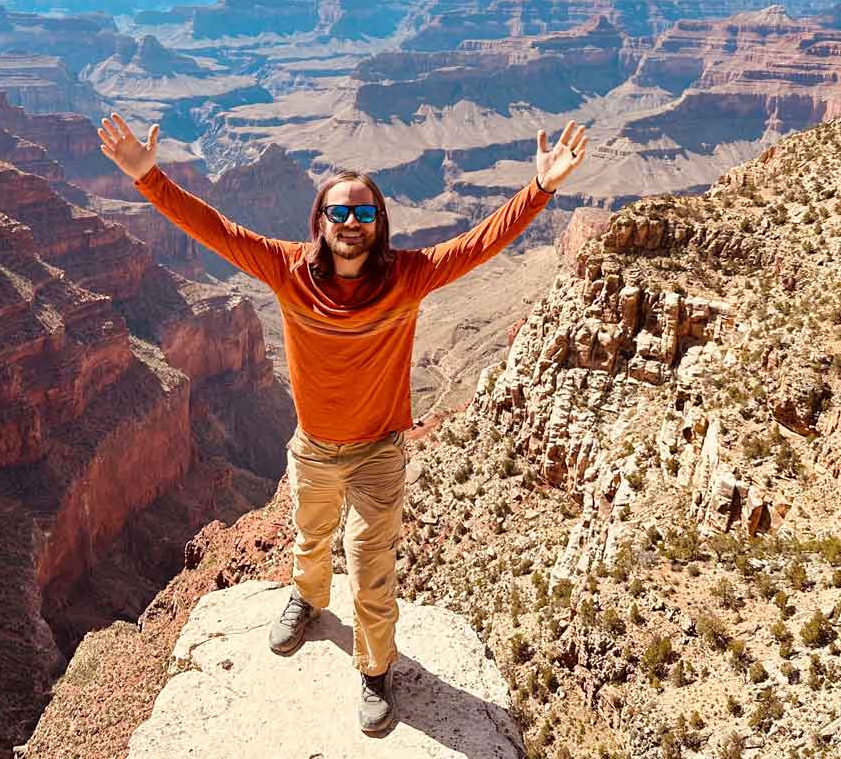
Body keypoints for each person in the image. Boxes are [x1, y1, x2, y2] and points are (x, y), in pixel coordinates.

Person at [98, 112, 587, 733]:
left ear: (379, 222)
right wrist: (149, 178)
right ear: (320, 221)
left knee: (369, 564)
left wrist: (539, 189)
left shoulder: (408, 275)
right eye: (339, 211)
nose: (351, 222)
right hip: (313, 447)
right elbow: (216, 230)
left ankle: (376, 669)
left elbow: (480, 242)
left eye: (363, 212)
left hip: (378, 451)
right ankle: (307, 599)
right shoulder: (286, 270)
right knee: (309, 537)